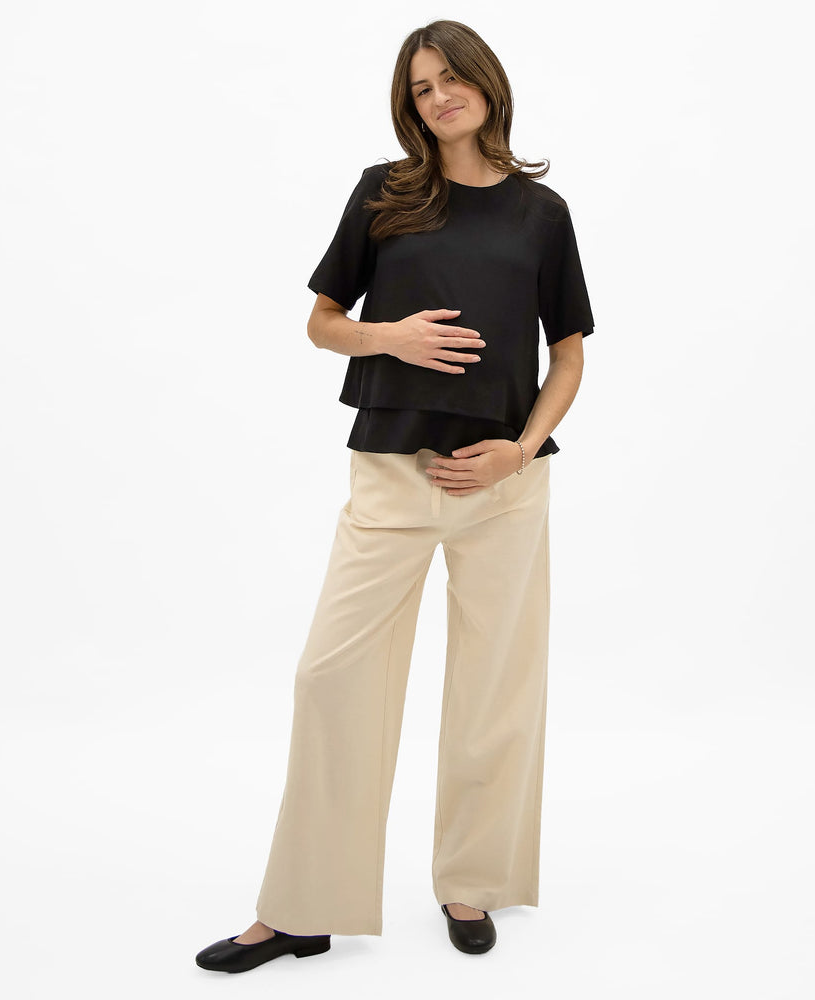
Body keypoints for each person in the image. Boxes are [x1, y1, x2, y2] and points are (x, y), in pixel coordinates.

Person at [196, 18, 594, 974]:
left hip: (504, 483)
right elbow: (323, 322)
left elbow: (570, 354)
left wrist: (520, 452)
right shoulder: (385, 193)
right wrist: (391, 337)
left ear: (487, 83)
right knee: (330, 676)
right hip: (392, 472)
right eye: (421, 86)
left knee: (496, 688)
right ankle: (302, 909)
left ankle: (473, 883)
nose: (439, 96)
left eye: (452, 78)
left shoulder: (543, 214)